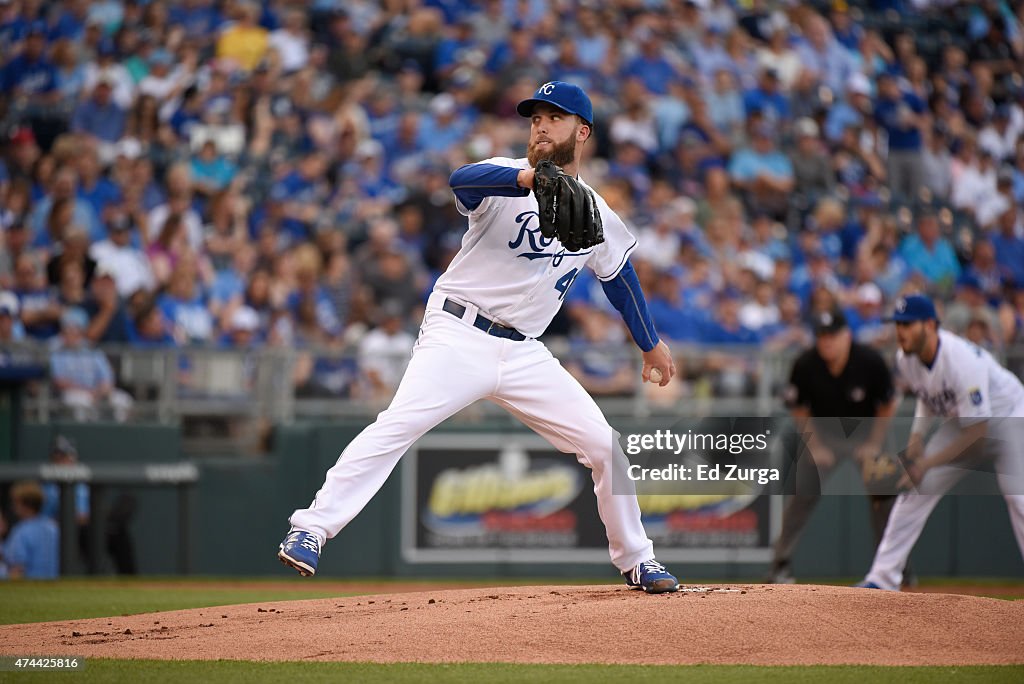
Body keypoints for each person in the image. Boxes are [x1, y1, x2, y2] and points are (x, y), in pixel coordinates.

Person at [279, 82, 681, 593]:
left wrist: (649, 344)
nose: (539, 124)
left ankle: (638, 560)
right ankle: (311, 527)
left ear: (582, 131)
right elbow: (461, 179)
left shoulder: (597, 211)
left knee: (605, 446)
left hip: (525, 352)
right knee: (398, 424)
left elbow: (619, 277)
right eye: (534, 116)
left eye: (553, 117)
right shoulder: (503, 178)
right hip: (458, 333)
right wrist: (525, 178)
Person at [856, 295, 1024, 590]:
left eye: (908, 324)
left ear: (930, 324)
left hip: (1009, 417)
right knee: (915, 489)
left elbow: (977, 436)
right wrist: (916, 442)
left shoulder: (960, 360)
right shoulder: (905, 358)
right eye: (897, 324)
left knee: (1018, 497)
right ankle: (882, 578)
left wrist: (925, 463)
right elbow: (927, 398)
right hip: (963, 421)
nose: (900, 331)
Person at [768, 308, 904, 584]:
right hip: (824, 433)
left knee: (885, 498)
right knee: (802, 495)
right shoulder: (806, 363)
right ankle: (779, 566)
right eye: (821, 335)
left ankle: (896, 568)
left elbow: (889, 403)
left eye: (832, 335)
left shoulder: (869, 360)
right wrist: (815, 446)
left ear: (847, 336)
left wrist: (874, 444)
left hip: (867, 432)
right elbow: (798, 407)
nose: (826, 341)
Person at [1, 481, 59, 579]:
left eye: (15, 503)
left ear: (23, 505)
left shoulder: (21, 531)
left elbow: (17, 569)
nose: (13, 507)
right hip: (55, 585)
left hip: (30, 586)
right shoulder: (54, 527)